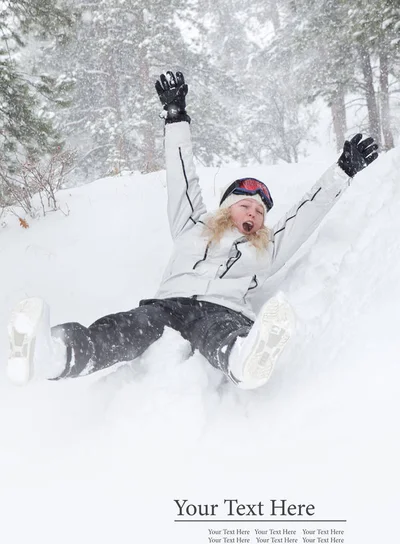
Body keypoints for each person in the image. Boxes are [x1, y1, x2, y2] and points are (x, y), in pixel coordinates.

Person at [7, 71, 378, 389]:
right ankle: (55, 354)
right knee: (126, 328)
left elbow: (304, 214)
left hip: (223, 309)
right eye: (245, 204)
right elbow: (182, 176)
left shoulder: (266, 249)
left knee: (219, 334)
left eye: (260, 211)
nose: (253, 213)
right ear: (227, 207)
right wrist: (175, 117)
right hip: (167, 307)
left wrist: (342, 172)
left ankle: (243, 361)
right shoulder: (192, 224)